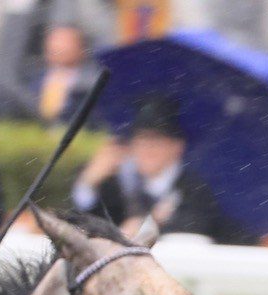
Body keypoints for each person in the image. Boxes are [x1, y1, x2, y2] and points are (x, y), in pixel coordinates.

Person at [70, 98, 250, 246]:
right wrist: (89, 181)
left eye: (156, 140)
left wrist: (149, 225)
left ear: (177, 147)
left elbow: (194, 231)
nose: (147, 149)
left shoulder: (195, 187)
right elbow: (90, 224)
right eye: (141, 140)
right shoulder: (119, 185)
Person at [31, 22, 97, 128]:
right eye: (54, 41)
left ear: (81, 48)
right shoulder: (33, 77)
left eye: (65, 42)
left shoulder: (92, 81)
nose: (57, 47)